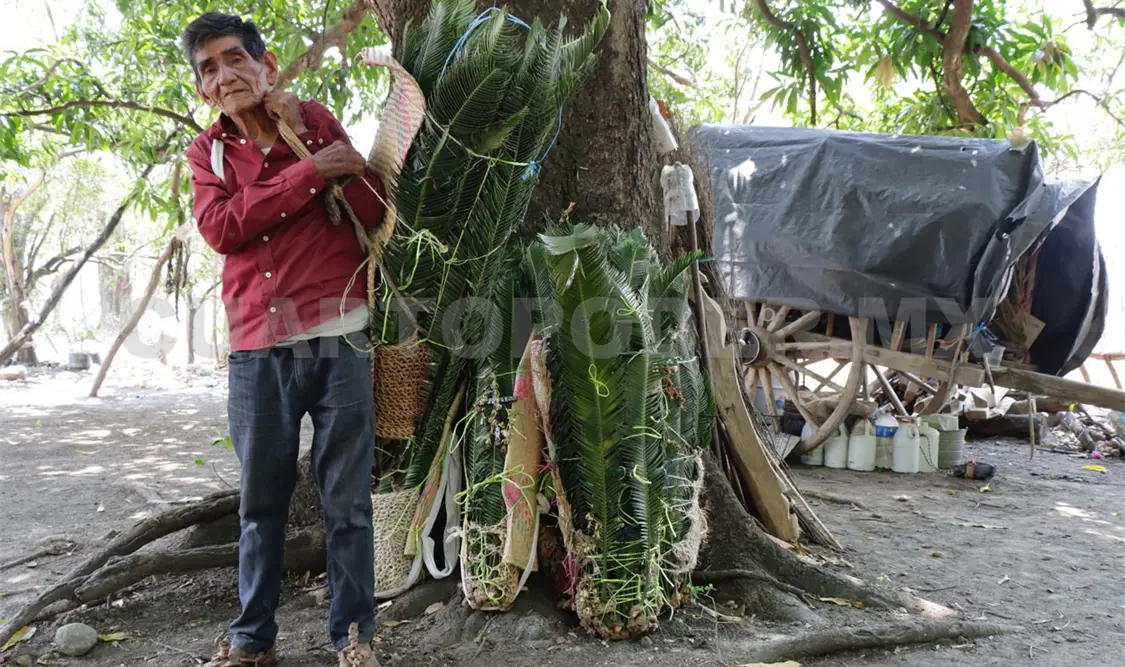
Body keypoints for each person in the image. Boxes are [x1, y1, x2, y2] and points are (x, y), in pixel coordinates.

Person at [180, 11, 384, 667]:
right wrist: (308, 173)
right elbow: (223, 227)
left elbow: (372, 208)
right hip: (256, 347)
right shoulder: (208, 153)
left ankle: (354, 637)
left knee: (347, 501)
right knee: (260, 502)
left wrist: (321, 152)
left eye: (234, 58)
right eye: (208, 68)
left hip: (338, 338)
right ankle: (252, 639)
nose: (223, 76)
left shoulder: (313, 120)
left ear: (265, 65)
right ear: (202, 88)